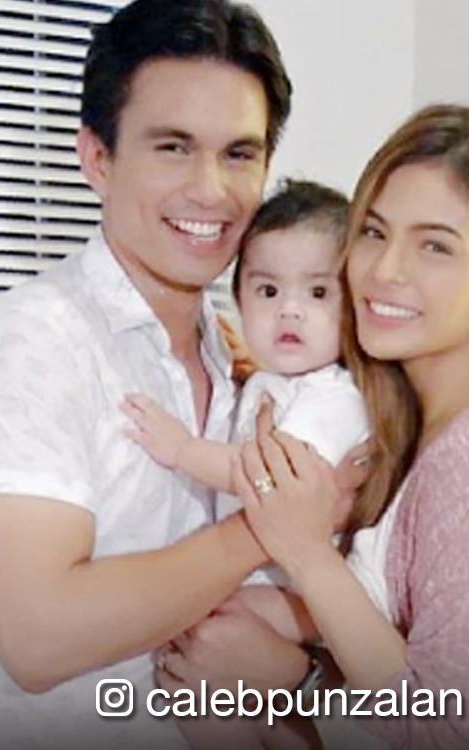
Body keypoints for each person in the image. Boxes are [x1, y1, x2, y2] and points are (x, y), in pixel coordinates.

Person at [0, 1, 342, 748]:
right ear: (97, 159)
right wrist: (273, 522)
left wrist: (294, 673)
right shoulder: (31, 344)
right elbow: (39, 638)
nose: (210, 189)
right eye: (173, 147)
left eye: (239, 154)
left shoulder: (249, 353)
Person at [169, 104, 469, 749]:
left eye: (435, 246)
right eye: (375, 232)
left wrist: (296, 668)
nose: (384, 271)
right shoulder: (396, 411)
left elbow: (444, 730)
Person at [121, 179, 371, 587]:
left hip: (293, 589)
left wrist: (183, 450)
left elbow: (271, 480)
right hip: (252, 573)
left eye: (318, 292)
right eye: (268, 291)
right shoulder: (272, 381)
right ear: (239, 300)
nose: (290, 309)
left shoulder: (336, 399)